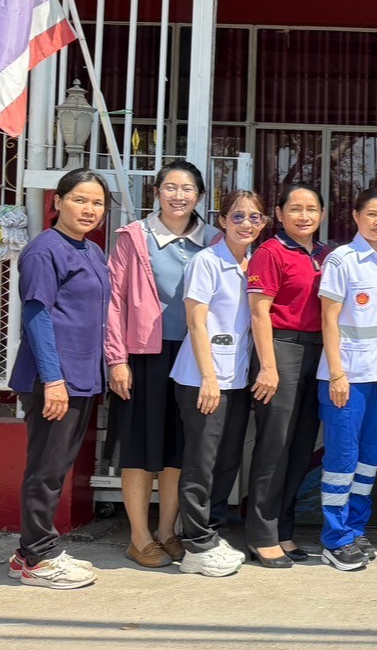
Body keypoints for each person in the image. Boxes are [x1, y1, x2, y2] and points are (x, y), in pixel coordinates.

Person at [106, 161, 218, 569]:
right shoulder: (135, 238)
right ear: (156, 192)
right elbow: (115, 301)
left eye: (187, 189)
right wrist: (117, 359)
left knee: (178, 449)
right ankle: (139, 537)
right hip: (144, 355)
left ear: (200, 196)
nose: (178, 195)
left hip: (192, 357)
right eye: (170, 187)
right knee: (139, 448)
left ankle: (168, 532)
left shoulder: (213, 241)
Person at [7, 169, 110, 589]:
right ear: (58, 201)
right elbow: (37, 314)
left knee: (57, 466)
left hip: (81, 375)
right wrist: (53, 380)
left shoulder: (91, 251)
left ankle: (31, 551)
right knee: (46, 470)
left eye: (98, 203)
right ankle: (37, 558)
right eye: (80, 199)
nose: (89, 209)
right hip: (53, 378)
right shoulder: (43, 251)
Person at [170, 190, 268, 577]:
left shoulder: (254, 263)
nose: (247, 224)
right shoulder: (206, 262)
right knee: (201, 461)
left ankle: (211, 531)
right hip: (202, 378)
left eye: (255, 217)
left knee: (228, 459)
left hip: (238, 378)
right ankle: (194, 543)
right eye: (238, 216)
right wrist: (208, 377)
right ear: (223, 220)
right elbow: (196, 322)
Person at [245, 184, 329, 568]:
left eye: (311, 208)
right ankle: (261, 534)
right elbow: (259, 312)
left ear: (323, 214)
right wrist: (268, 365)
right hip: (281, 348)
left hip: (317, 352)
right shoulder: (270, 252)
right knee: (274, 445)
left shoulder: (326, 255)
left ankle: (283, 530)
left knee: (301, 447)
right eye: (295, 208)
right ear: (278, 214)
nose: (304, 216)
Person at [317, 189, 377, 571]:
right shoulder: (342, 260)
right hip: (345, 377)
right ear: (356, 216)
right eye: (372, 215)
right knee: (342, 460)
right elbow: (328, 319)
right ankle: (334, 539)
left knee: (368, 461)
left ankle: (355, 528)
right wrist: (336, 373)